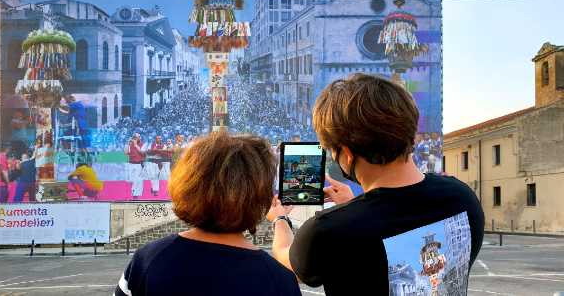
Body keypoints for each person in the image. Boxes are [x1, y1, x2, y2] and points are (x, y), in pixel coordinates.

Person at [267, 73, 484, 295]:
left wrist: (280, 219)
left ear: (348, 154)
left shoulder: (327, 231)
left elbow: (288, 258)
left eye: (334, 152)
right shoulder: (463, 197)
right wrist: (355, 205)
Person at [114, 132, 301, 296]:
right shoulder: (280, 280)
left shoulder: (148, 260)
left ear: (187, 186)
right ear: (260, 196)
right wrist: (280, 219)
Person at [125, 133, 146, 199]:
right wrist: (127, 144)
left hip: (139, 164)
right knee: (131, 180)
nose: (139, 137)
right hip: (131, 164)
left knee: (138, 180)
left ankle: (135, 195)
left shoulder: (143, 144)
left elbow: (142, 152)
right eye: (137, 137)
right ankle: (134, 192)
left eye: (139, 136)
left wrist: (136, 145)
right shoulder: (130, 144)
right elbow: (126, 153)